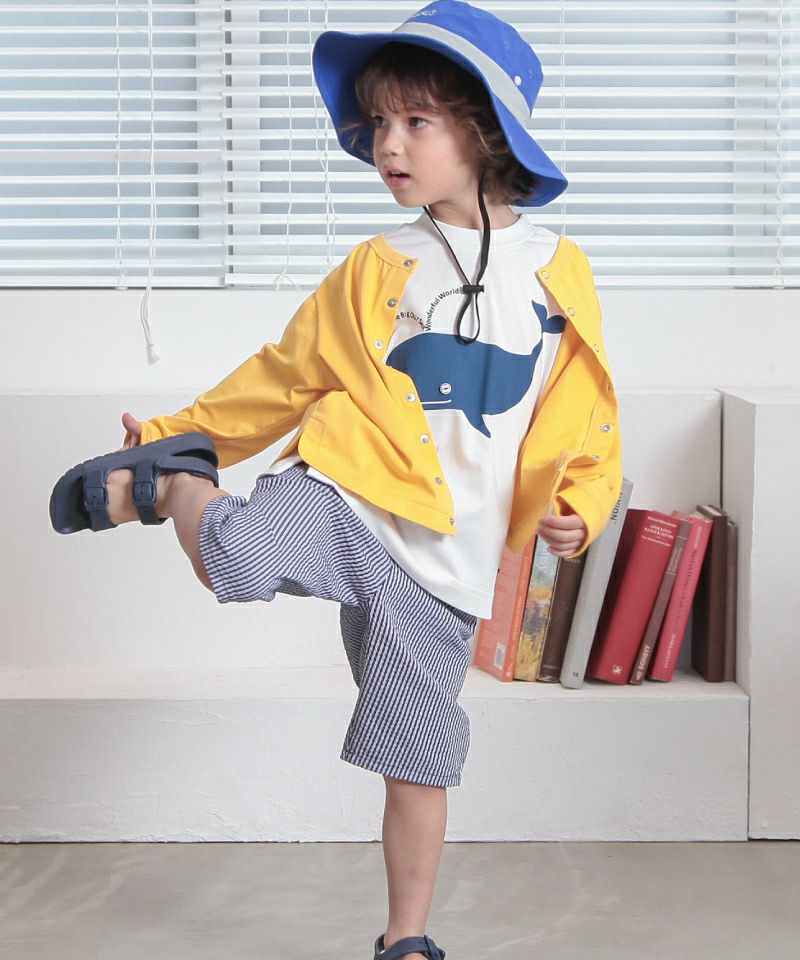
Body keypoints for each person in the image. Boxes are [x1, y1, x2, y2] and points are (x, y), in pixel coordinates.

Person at [49, 3, 622, 958]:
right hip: (353, 492)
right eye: (378, 123)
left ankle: (406, 939)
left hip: (449, 566)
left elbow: (591, 413)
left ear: (484, 131)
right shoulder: (376, 267)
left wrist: (583, 507)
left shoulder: (559, 271)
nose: (386, 144)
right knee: (238, 556)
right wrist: (177, 434)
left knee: (419, 759)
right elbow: (284, 376)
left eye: (415, 122)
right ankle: (173, 480)